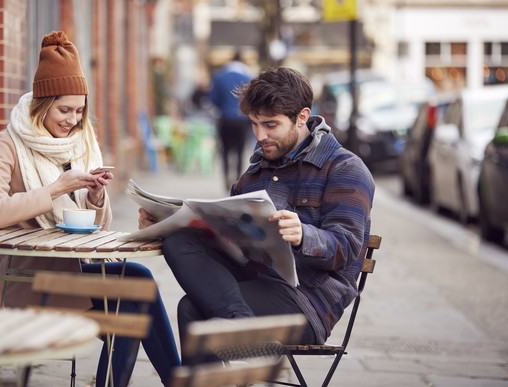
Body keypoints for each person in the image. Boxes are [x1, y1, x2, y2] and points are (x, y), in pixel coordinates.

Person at [0, 31, 180, 386]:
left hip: (78, 267)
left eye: (80, 110)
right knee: (131, 304)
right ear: (42, 104)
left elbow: (96, 226)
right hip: (32, 277)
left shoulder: (78, 145)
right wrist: (55, 188)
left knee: (140, 284)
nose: (73, 119)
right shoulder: (6, 143)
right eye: (64, 110)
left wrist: (96, 198)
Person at [138, 67, 375, 361]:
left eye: (270, 125)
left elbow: (349, 248)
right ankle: (238, 322)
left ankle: (232, 327)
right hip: (255, 280)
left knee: (192, 310)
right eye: (254, 124)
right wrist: (169, 221)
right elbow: (228, 227)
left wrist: (304, 235)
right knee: (181, 239)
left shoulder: (345, 169)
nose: (260, 135)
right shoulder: (259, 167)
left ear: (302, 116)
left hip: (307, 301)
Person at [209, 50, 253, 190]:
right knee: (240, 151)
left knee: (225, 150)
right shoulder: (248, 76)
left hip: (225, 119)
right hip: (242, 120)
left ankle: (227, 181)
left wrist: (223, 107)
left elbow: (212, 99)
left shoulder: (219, 76)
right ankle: (238, 180)